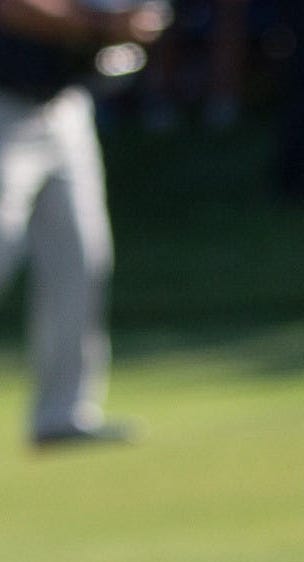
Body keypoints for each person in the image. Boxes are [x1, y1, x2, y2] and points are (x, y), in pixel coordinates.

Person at [0, 0, 158, 445]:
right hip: (4, 106)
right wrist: (103, 23)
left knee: (81, 260)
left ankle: (62, 416)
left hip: (66, 104)